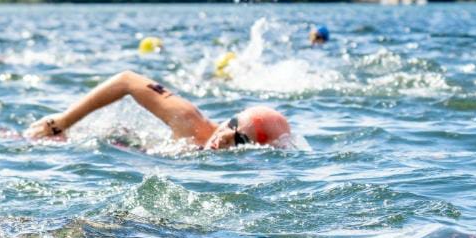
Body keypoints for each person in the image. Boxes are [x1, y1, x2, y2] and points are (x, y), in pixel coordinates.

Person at [26, 70, 293, 150]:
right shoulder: (189, 120)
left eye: (241, 139)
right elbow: (126, 80)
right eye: (231, 123)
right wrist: (62, 121)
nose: (225, 136)